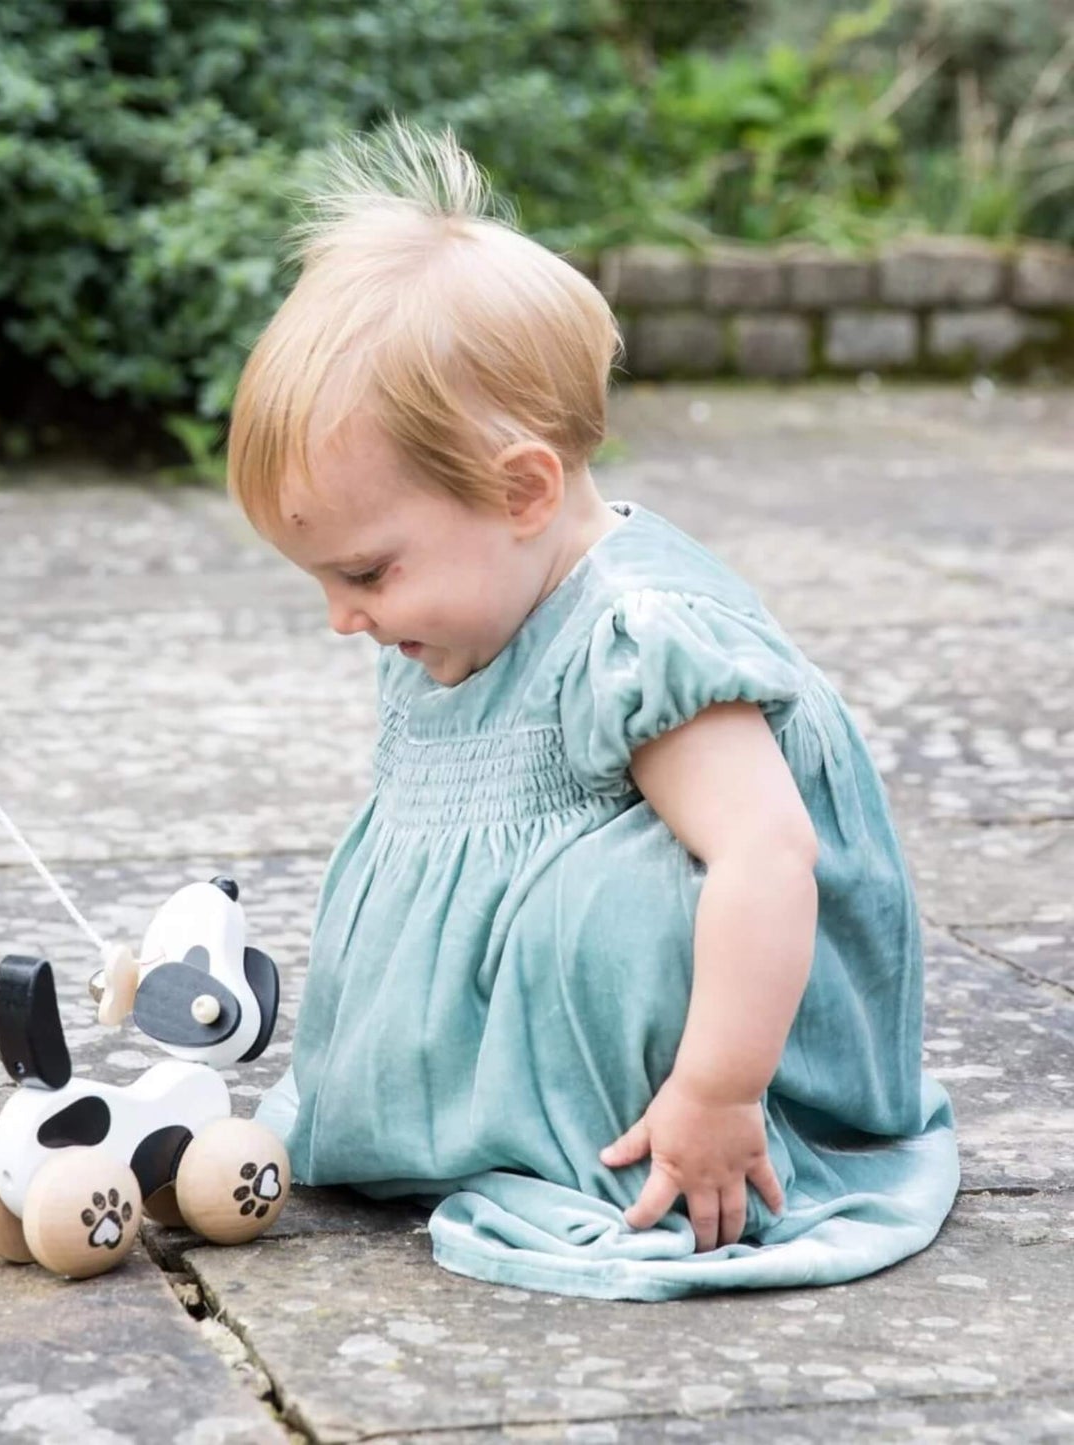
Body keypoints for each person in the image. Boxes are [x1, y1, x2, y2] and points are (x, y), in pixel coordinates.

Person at [226, 121, 958, 1300]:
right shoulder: (463, 612)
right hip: (546, 1002)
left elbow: (769, 854)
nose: (341, 618)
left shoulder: (638, 637)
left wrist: (718, 1090)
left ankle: (656, 1112)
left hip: (732, 1018)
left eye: (364, 573)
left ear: (521, 490)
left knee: (617, 903)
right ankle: (464, 1102)